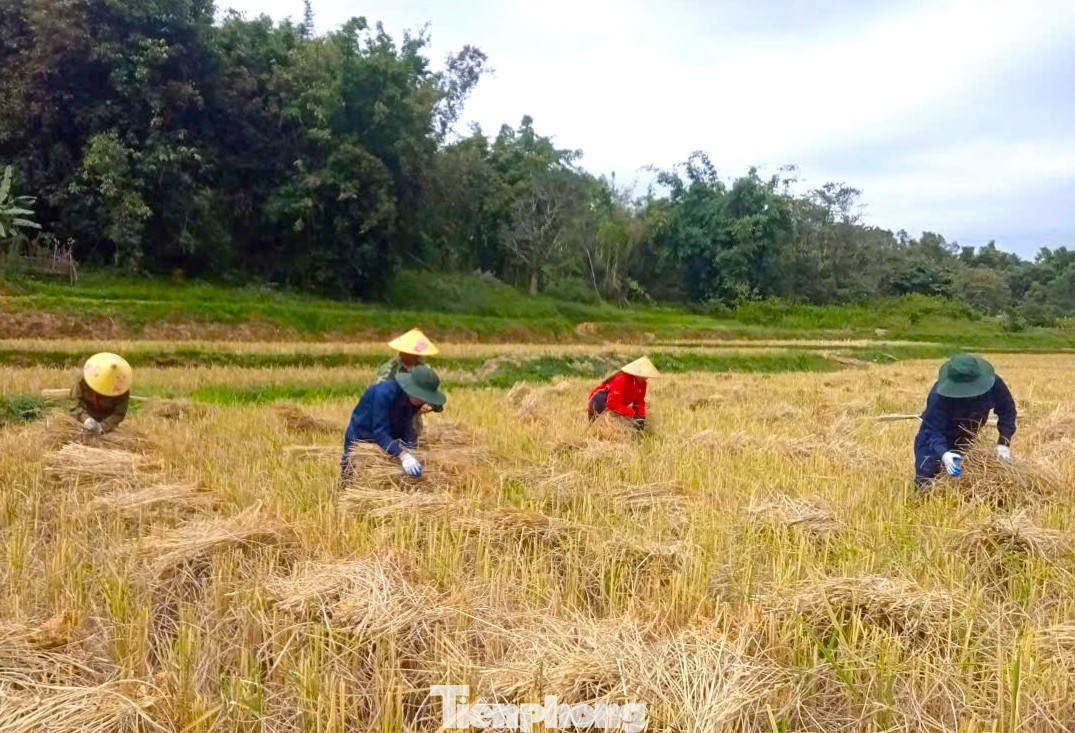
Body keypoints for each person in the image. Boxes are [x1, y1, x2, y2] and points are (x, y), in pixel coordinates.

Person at [914, 354, 1017, 489]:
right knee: (927, 482)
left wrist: (1004, 443)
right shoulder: (938, 396)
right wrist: (944, 453)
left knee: (963, 483)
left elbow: (1007, 411)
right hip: (934, 442)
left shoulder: (994, 384)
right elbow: (933, 430)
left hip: (966, 438)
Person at [340, 364, 447, 482]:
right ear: (411, 389)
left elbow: (406, 424)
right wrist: (403, 455)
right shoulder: (383, 394)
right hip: (362, 437)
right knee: (351, 474)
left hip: (391, 434)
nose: (422, 402)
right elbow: (380, 433)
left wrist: (409, 449)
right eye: (421, 397)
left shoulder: (414, 400)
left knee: (394, 477)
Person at [377, 328, 443, 436]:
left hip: (413, 421)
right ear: (404, 352)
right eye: (413, 353)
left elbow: (432, 391)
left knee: (412, 442)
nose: (417, 356)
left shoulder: (424, 369)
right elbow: (380, 391)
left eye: (418, 353)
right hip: (392, 417)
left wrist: (435, 404)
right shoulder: (391, 368)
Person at [587, 356, 660, 432]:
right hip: (598, 404)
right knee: (599, 432)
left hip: (615, 404)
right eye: (644, 375)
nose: (646, 378)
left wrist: (641, 416)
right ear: (636, 373)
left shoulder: (642, 384)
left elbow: (640, 401)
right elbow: (612, 404)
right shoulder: (622, 379)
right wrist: (634, 415)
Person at [70, 352, 133, 435]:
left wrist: (103, 427)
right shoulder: (83, 382)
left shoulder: (121, 390)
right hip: (83, 418)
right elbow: (73, 405)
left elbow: (119, 413)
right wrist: (86, 419)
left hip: (107, 423)